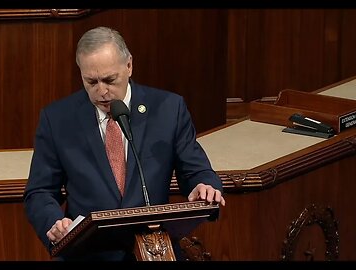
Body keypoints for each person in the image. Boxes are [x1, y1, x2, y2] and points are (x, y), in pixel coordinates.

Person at [23, 26, 225, 261]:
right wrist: (54, 223)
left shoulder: (168, 109)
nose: (102, 91)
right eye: (91, 82)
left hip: (153, 250)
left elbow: (195, 169)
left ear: (129, 65)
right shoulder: (58, 119)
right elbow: (39, 191)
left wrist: (204, 186)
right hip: (88, 254)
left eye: (109, 80)